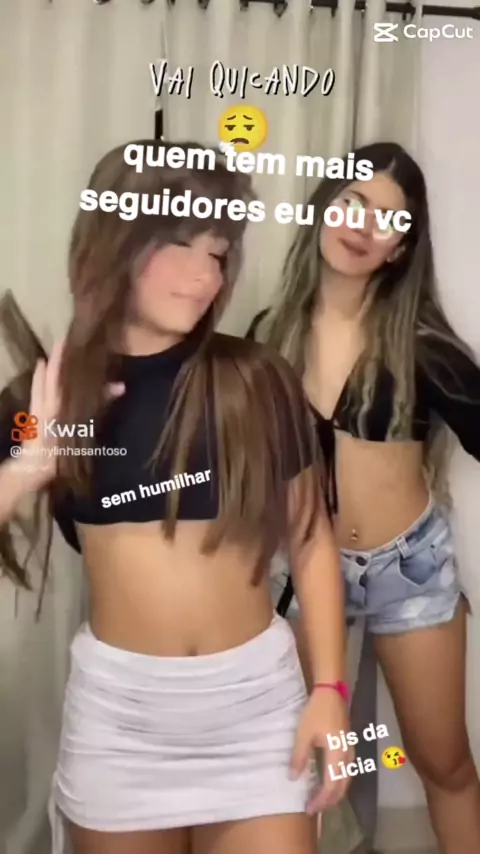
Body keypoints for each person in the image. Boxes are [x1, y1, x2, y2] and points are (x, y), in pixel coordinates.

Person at [0, 140, 352, 854]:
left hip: (257, 711)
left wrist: (330, 693)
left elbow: (312, 540)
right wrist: (23, 472)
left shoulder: (257, 380)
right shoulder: (46, 397)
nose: (204, 276)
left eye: (218, 252)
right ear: (115, 242)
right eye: (180, 245)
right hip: (120, 724)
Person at [247, 141, 480, 854]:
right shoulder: (268, 337)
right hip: (297, 571)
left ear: (400, 249)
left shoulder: (423, 345)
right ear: (325, 207)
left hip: (408, 569)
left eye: (389, 219)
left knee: (443, 763)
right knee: (292, 769)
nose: (364, 225)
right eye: (353, 203)